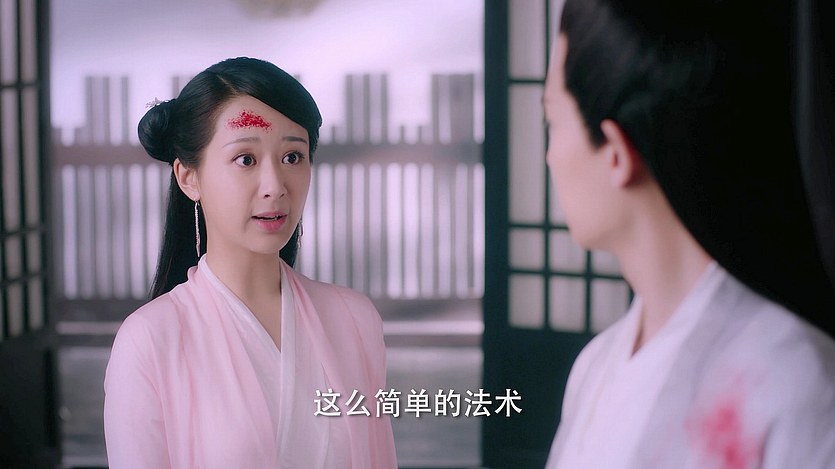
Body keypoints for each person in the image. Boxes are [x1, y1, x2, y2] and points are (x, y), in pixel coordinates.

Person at [542, 1, 835, 467]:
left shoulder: (800, 384)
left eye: (553, 122)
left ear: (616, 152)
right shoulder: (595, 365)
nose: (549, 157)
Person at [103, 57, 397, 468]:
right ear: (189, 177)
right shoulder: (150, 340)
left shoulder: (354, 319)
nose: (275, 186)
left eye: (292, 157)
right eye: (246, 159)